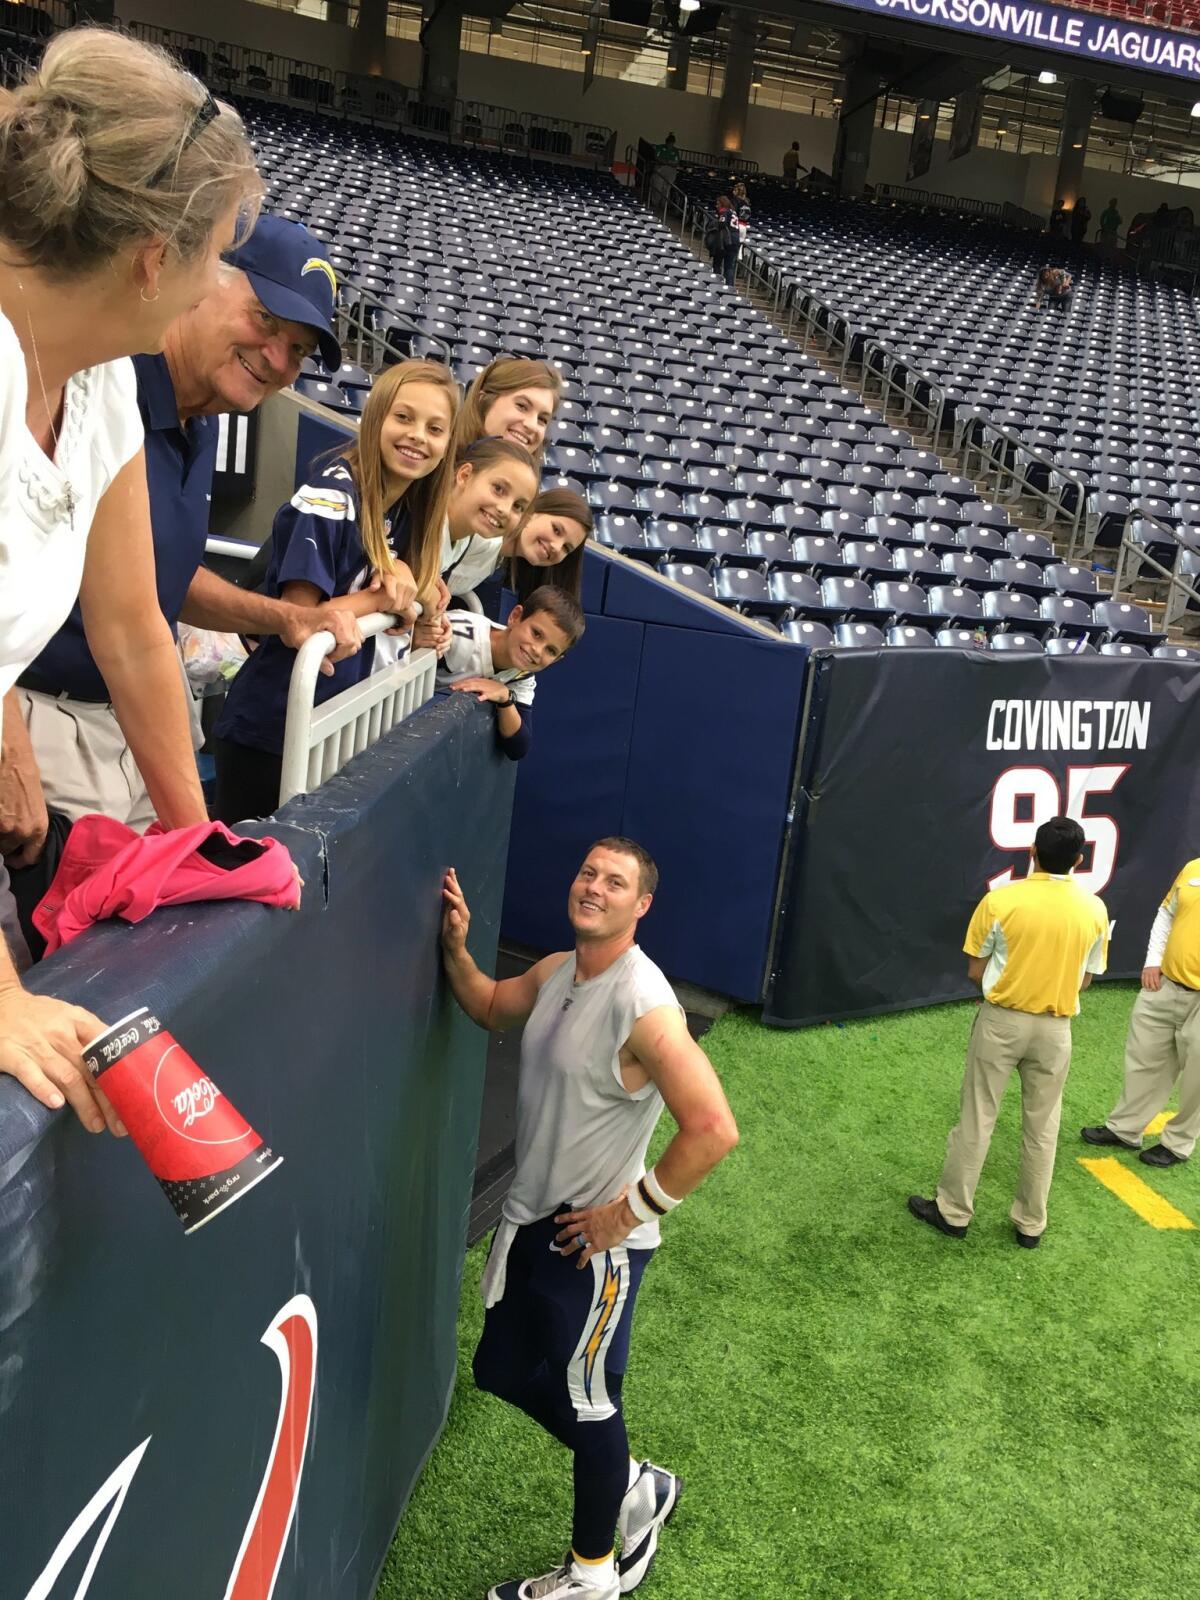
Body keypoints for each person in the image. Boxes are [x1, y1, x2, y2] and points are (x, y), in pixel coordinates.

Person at [0, 27, 260, 1130]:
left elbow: (133, 628)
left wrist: (193, 848)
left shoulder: (103, 381)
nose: (219, 284)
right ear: (155, 255)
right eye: (216, 258)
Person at [440, 838, 738, 1600]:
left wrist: (625, 1216)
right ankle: (634, 1481)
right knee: (499, 1370)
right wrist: (456, 947)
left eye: (615, 882)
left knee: (589, 1400)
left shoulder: (646, 1007)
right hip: (533, 1222)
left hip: (593, 1244)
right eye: (587, 874)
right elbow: (487, 1003)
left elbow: (712, 1129)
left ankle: (594, 1574)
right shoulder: (556, 972)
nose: (593, 888)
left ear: (641, 906)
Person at [3, 217, 359, 842]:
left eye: (299, 349)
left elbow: (156, 578)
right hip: (45, 718)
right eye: (265, 320)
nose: (278, 358)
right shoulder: (105, 376)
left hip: (135, 729)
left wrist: (280, 617)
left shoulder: (206, 417)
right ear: (202, 280)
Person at [212, 359, 459, 823]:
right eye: (403, 417)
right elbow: (297, 621)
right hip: (272, 731)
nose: (417, 436)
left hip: (331, 728)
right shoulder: (329, 496)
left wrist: (413, 599)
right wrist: (381, 599)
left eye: (435, 428)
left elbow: (403, 602)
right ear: (376, 416)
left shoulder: (405, 511)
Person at [909, 816, 1109, 1247]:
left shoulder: (1001, 902)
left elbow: (974, 970)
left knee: (977, 1118)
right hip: (1056, 1030)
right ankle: (1030, 1224)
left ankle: (953, 1213)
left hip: (1002, 1021)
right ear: (1078, 859)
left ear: (1032, 852)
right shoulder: (1094, 908)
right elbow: (1087, 980)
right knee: (1043, 1127)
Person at [1081, 854, 1200, 1168]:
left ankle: (1177, 1143)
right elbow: (1167, 913)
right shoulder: (1192, 868)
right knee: (1144, 1057)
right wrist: (1153, 959)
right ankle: (1125, 1128)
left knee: (1198, 1077)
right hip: (1167, 983)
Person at [430, 586, 584, 760]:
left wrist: (506, 698)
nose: (537, 651)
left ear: (555, 660)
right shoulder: (459, 636)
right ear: (515, 617)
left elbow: (518, 747)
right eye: (536, 634)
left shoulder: (521, 676)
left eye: (550, 650)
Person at [445, 477, 592, 604]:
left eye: (566, 548)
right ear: (533, 511)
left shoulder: (496, 561)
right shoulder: (480, 536)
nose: (557, 547)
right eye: (556, 530)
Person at [457, 357, 563, 463]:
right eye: (522, 406)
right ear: (483, 400)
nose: (532, 426)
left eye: (542, 419)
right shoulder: (441, 464)